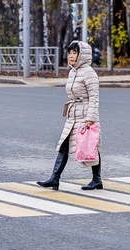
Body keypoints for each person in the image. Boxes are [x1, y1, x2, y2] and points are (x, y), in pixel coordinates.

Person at [37, 40, 102, 191]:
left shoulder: (89, 73)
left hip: (85, 114)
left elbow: (94, 97)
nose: (71, 56)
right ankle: (55, 178)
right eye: (70, 53)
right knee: (64, 145)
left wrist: (90, 118)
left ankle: (97, 179)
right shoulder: (73, 71)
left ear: (82, 55)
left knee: (90, 145)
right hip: (73, 114)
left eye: (75, 53)